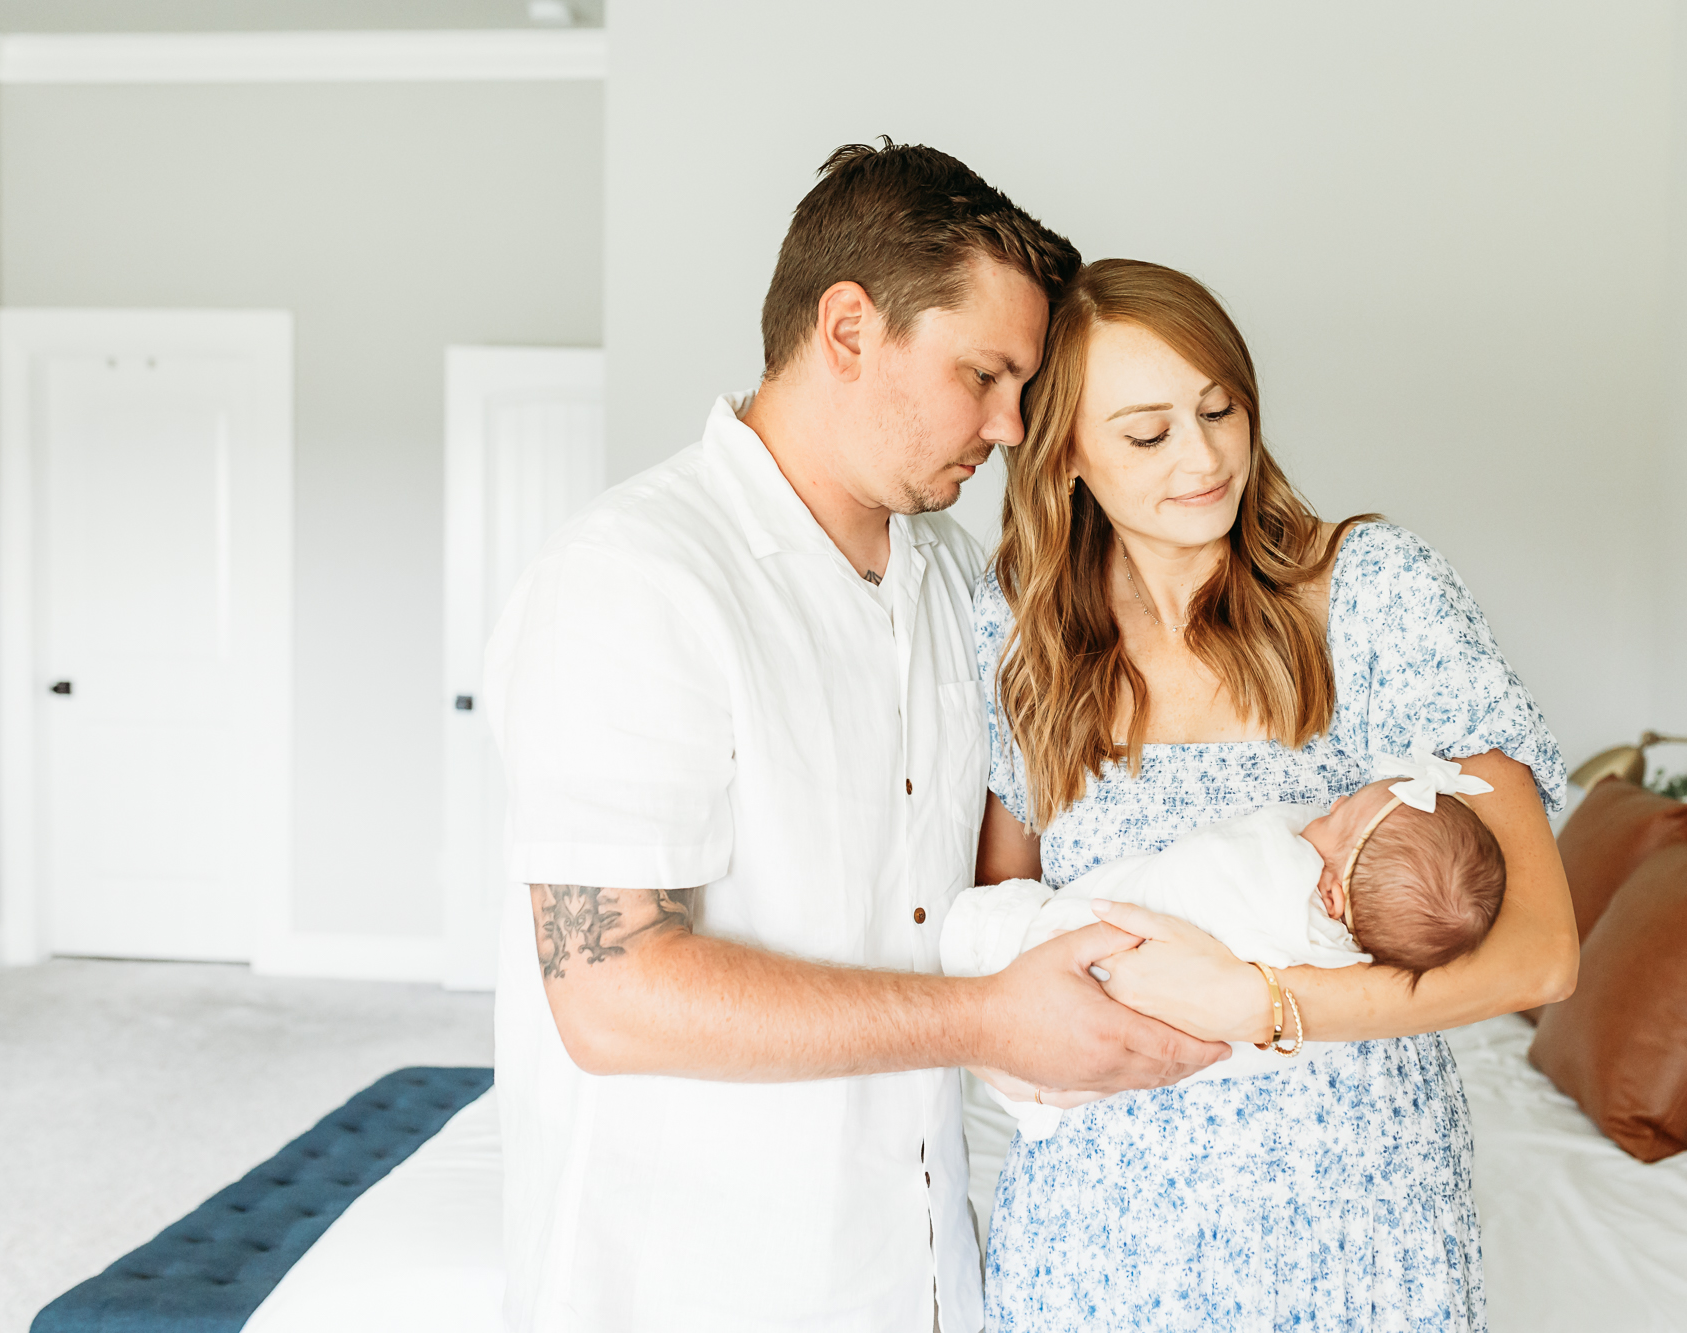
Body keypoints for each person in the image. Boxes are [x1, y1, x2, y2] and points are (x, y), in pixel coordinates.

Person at [483, 147, 1228, 1333]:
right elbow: (608, 990)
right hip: (690, 1286)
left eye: (1024, 386)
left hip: (913, 1273)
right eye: (982, 373)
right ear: (846, 329)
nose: (1011, 423)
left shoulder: (945, 584)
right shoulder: (634, 579)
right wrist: (989, 1015)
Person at [972, 258, 1578, 1330]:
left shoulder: (1372, 591)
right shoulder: (1021, 633)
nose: (1204, 458)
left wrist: (1260, 1001)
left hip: (1356, 1213)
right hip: (1105, 1226)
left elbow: (1539, 948)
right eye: (1146, 434)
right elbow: (1001, 925)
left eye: (1220, 408)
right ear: (1063, 451)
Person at [945, 751, 1507, 1140]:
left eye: (1337, 816)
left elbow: (1212, 861)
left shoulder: (1280, 876)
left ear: (1332, 895)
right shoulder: (1349, 962)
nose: (1325, 807)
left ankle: (998, 952)